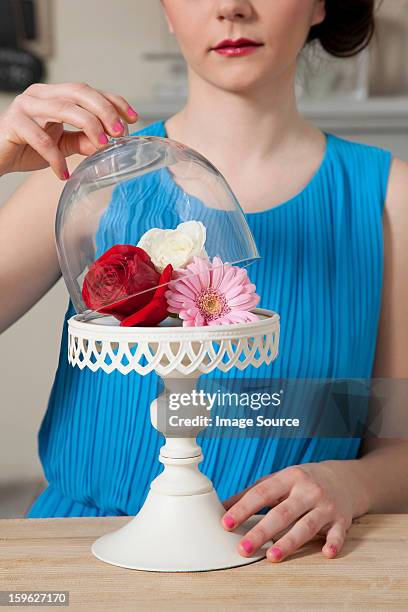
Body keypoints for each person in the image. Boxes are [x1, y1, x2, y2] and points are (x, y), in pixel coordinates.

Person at [0, 0, 407, 564]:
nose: (231, 8)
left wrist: (355, 485)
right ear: (166, 10)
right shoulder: (88, 181)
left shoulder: (389, 199)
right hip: (80, 555)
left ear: (320, 5)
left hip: (285, 564)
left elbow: (399, 438)